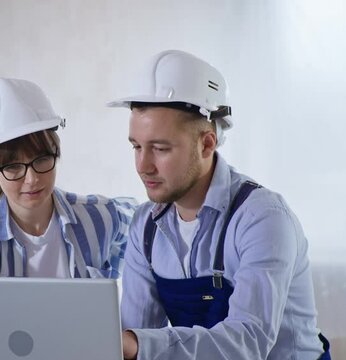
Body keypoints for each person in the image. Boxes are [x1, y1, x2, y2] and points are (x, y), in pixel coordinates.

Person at [108, 50, 331, 359]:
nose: (143, 166)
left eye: (160, 148)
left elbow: (247, 343)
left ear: (207, 143)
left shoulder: (262, 219)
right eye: (136, 147)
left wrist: (135, 345)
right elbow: (131, 340)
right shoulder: (145, 228)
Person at [0, 78, 136, 278]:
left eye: (42, 159)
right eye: (13, 167)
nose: (32, 179)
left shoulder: (99, 217)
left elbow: (149, 225)